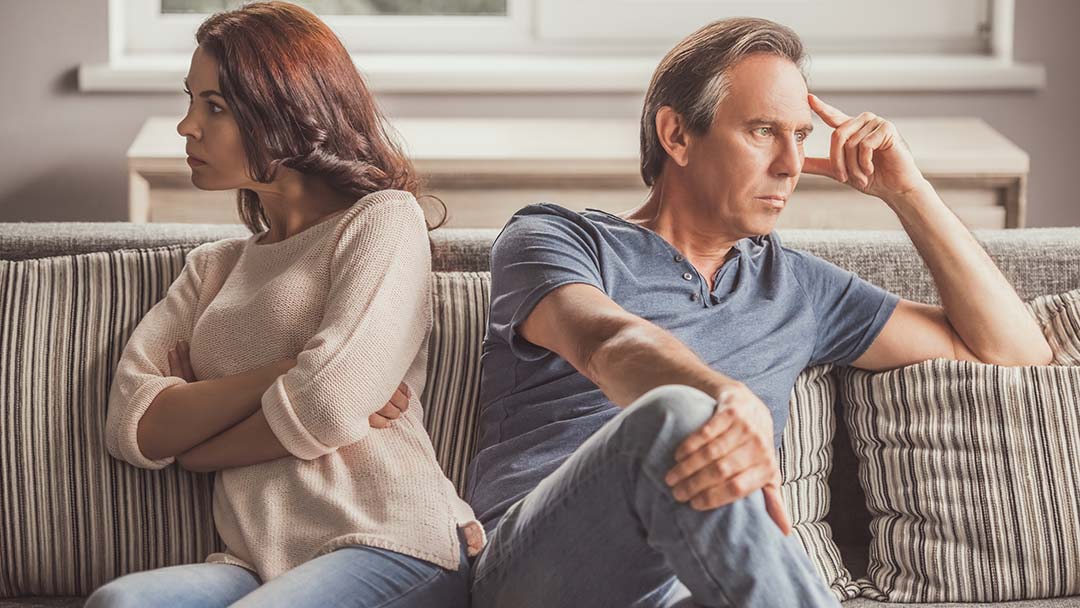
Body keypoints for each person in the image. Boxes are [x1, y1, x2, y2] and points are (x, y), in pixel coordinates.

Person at [466, 16, 1053, 608]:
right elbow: (606, 343)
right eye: (762, 131)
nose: (791, 164)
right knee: (674, 417)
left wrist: (909, 192)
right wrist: (721, 397)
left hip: (701, 587)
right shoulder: (556, 238)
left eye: (799, 136)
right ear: (677, 134)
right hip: (540, 569)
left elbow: (1015, 352)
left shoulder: (797, 287)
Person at [87, 2, 483, 607]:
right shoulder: (213, 269)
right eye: (190, 100)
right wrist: (284, 372)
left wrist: (198, 448)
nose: (186, 126)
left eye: (214, 107)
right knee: (120, 603)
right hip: (255, 563)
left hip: (393, 543)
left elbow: (326, 403)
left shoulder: (381, 220)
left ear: (286, 111)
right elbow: (133, 424)